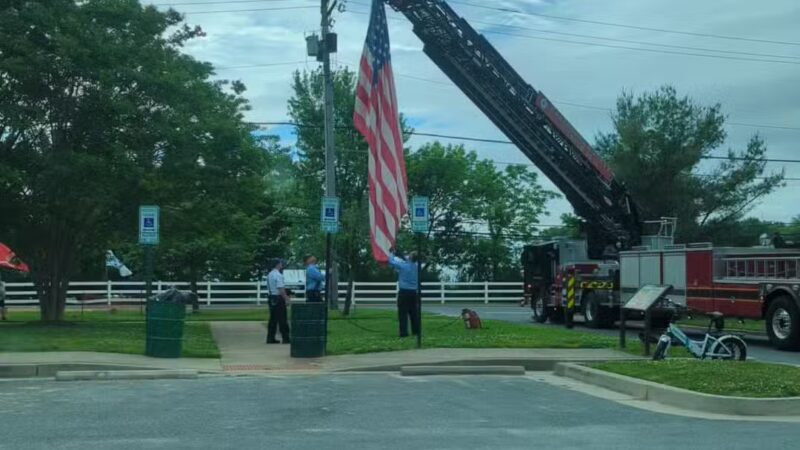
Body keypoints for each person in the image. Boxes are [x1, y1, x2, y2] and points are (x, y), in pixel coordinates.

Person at [388, 248, 419, 338]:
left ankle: (403, 333)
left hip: (404, 292)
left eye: (410, 254)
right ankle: (416, 331)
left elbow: (391, 261)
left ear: (411, 257)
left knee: (402, 314)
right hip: (413, 293)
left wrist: (392, 253)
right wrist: (401, 255)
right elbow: (407, 260)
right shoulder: (416, 267)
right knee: (414, 313)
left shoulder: (403, 265)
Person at [266, 259, 291, 344]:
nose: (281, 265)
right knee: (282, 318)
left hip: (271, 297)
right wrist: (286, 298)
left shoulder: (269, 274)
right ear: (277, 264)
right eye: (280, 263)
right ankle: (285, 338)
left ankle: (270, 337)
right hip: (278, 297)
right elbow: (280, 288)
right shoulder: (278, 275)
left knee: (273, 319)